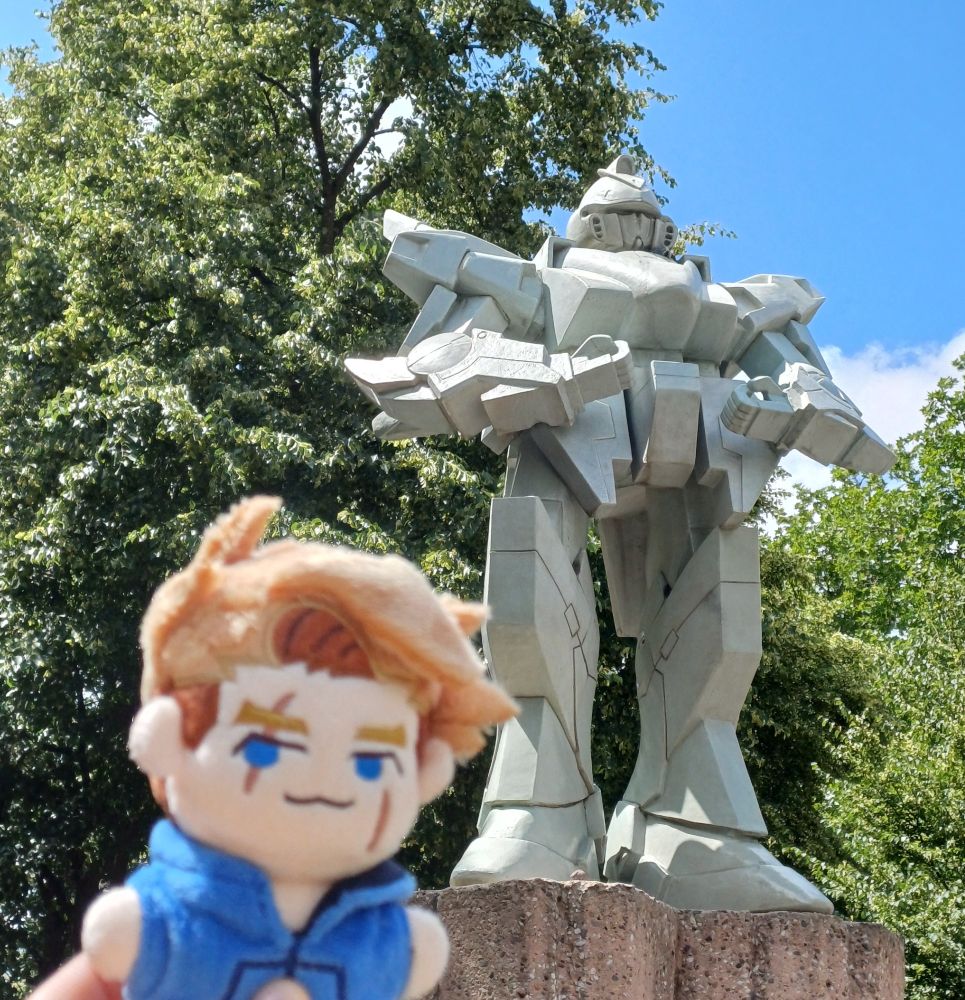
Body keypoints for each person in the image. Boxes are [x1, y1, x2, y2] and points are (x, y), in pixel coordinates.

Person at [346, 156, 894, 912]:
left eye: (645, 213)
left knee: (724, 610)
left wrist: (796, 403)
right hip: (566, 425)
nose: (631, 206)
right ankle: (540, 814)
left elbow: (808, 385)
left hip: (704, 443)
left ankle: (694, 829)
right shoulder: (525, 281)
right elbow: (439, 361)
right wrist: (517, 377)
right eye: (617, 209)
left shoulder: (727, 301)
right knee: (526, 594)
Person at [29, 496, 515, 1000]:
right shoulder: (158, 924)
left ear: (423, 773)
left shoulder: (390, 940)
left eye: (371, 762)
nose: (327, 780)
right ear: (169, 739)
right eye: (265, 747)